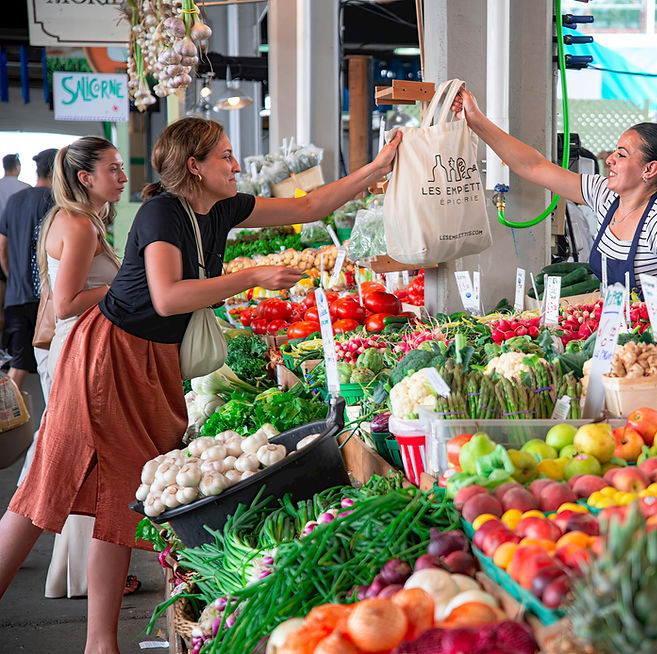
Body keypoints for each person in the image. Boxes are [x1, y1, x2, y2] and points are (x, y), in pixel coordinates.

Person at [0, 116, 400, 654]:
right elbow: (166, 298)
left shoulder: (224, 206)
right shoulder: (162, 212)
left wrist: (375, 168)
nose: (237, 166)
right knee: (46, 487)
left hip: (150, 358)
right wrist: (253, 277)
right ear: (195, 166)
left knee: (125, 496)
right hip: (109, 355)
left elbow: (308, 207)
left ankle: (100, 643)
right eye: (227, 157)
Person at [451, 90, 657, 307]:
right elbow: (534, 166)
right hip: (612, 331)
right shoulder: (604, 195)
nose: (610, 159)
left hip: (645, 343)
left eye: (622, 154)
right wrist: (477, 121)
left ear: (649, 170)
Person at [16, 139, 133, 600]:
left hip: (83, 354)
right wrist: (127, 285)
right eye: (114, 168)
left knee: (85, 472)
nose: (122, 176)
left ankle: (76, 576)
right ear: (87, 178)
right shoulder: (80, 224)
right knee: (66, 472)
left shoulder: (83, 221)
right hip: (79, 358)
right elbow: (66, 304)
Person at [0, 149, 58, 389]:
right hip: (44, 298)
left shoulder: (15, 200)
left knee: (19, 366)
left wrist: (12, 279)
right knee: (54, 365)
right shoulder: (54, 200)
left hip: (16, 296)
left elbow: (2, 249)